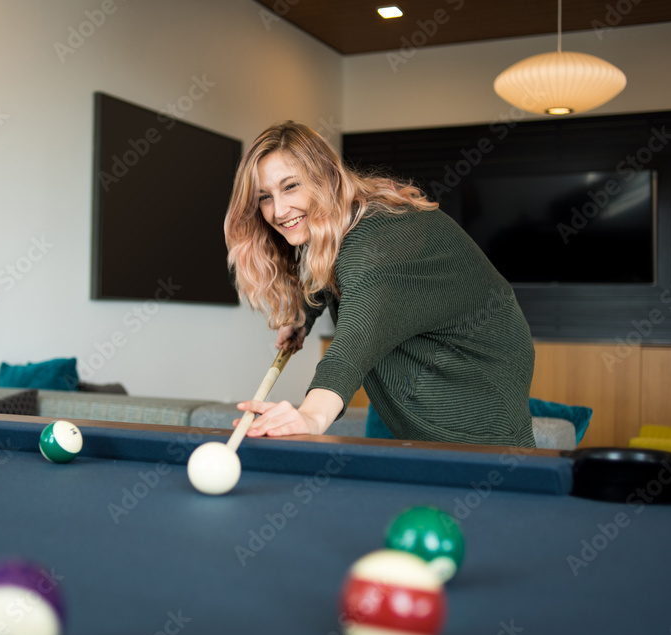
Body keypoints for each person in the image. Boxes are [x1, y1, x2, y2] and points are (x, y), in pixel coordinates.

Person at [224, 121, 536, 448]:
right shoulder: (347, 217)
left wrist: (311, 417)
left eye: (290, 187)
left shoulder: (377, 242)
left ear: (326, 176)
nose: (279, 210)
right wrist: (303, 315)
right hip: (442, 389)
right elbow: (330, 265)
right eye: (265, 197)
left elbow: (355, 338)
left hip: (475, 394)